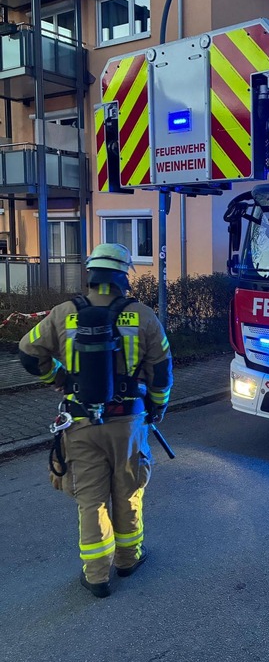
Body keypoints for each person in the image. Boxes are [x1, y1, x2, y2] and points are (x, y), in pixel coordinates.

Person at [18, 243, 173, 598]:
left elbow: (28, 353)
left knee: (91, 500)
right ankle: (128, 559)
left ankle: (97, 576)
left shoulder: (63, 313)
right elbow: (162, 371)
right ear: (123, 276)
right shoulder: (143, 316)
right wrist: (157, 407)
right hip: (128, 423)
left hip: (80, 423)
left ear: (90, 274)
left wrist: (58, 377)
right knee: (128, 493)